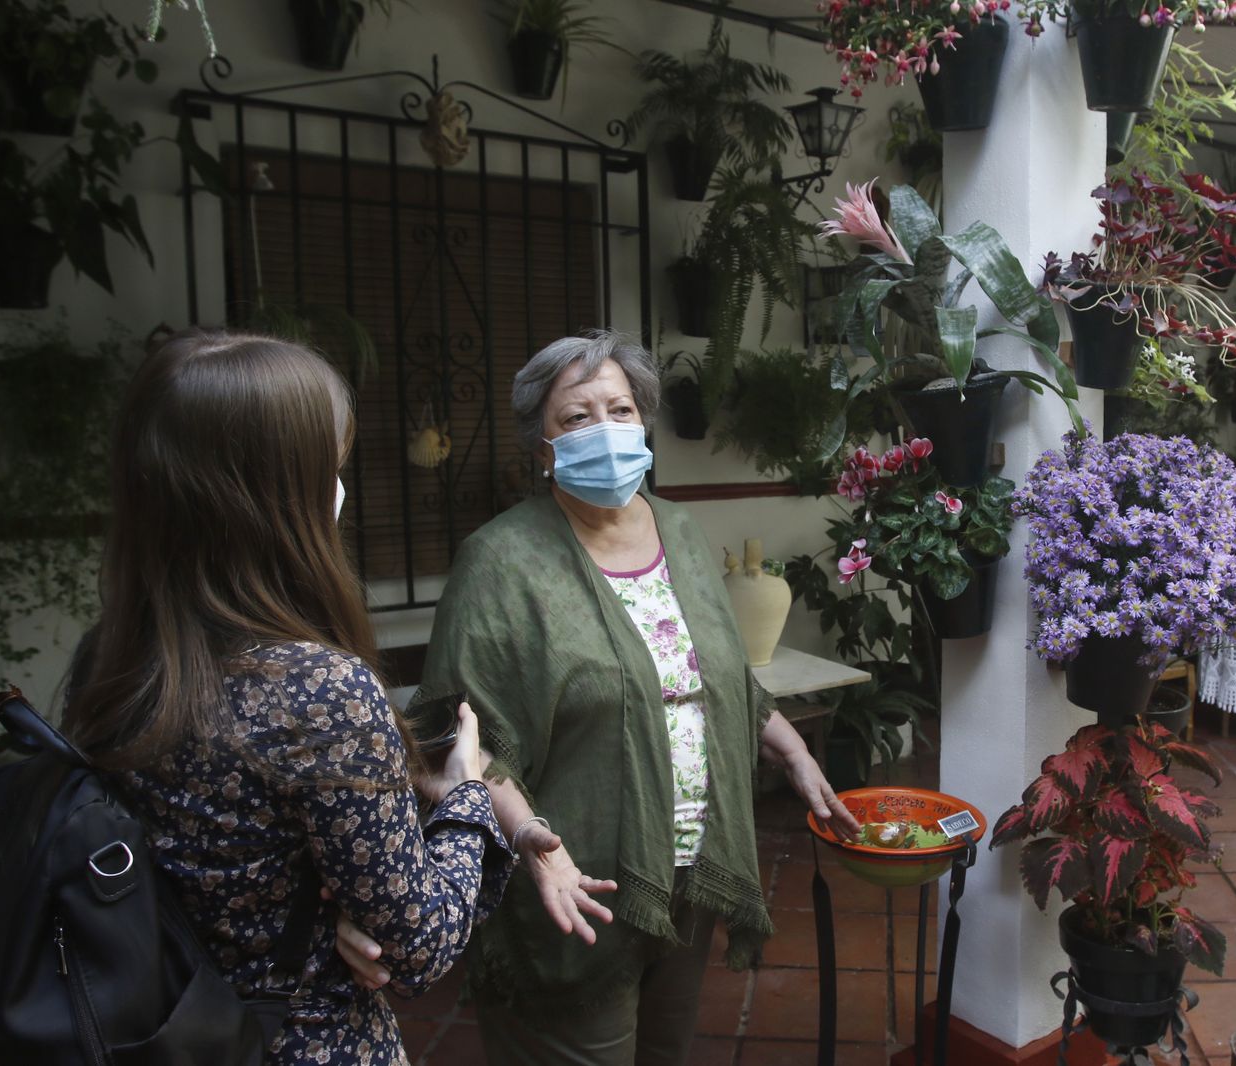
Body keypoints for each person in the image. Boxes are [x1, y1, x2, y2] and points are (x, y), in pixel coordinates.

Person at [410, 329, 862, 1065]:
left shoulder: (678, 528)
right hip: (573, 880)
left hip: (686, 865)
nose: (607, 431)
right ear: (543, 447)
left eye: (620, 410)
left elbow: (715, 673)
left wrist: (791, 749)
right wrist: (533, 843)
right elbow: (461, 735)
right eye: (577, 418)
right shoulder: (499, 562)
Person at [63, 329, 513, 1065]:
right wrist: (466, 800)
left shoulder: (110, 661)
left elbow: (221, 864)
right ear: (275, 495)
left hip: (159, 1029)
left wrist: (330, 901)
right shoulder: (316, 691)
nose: (340, 488)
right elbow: (423, 943)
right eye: (331, 466)